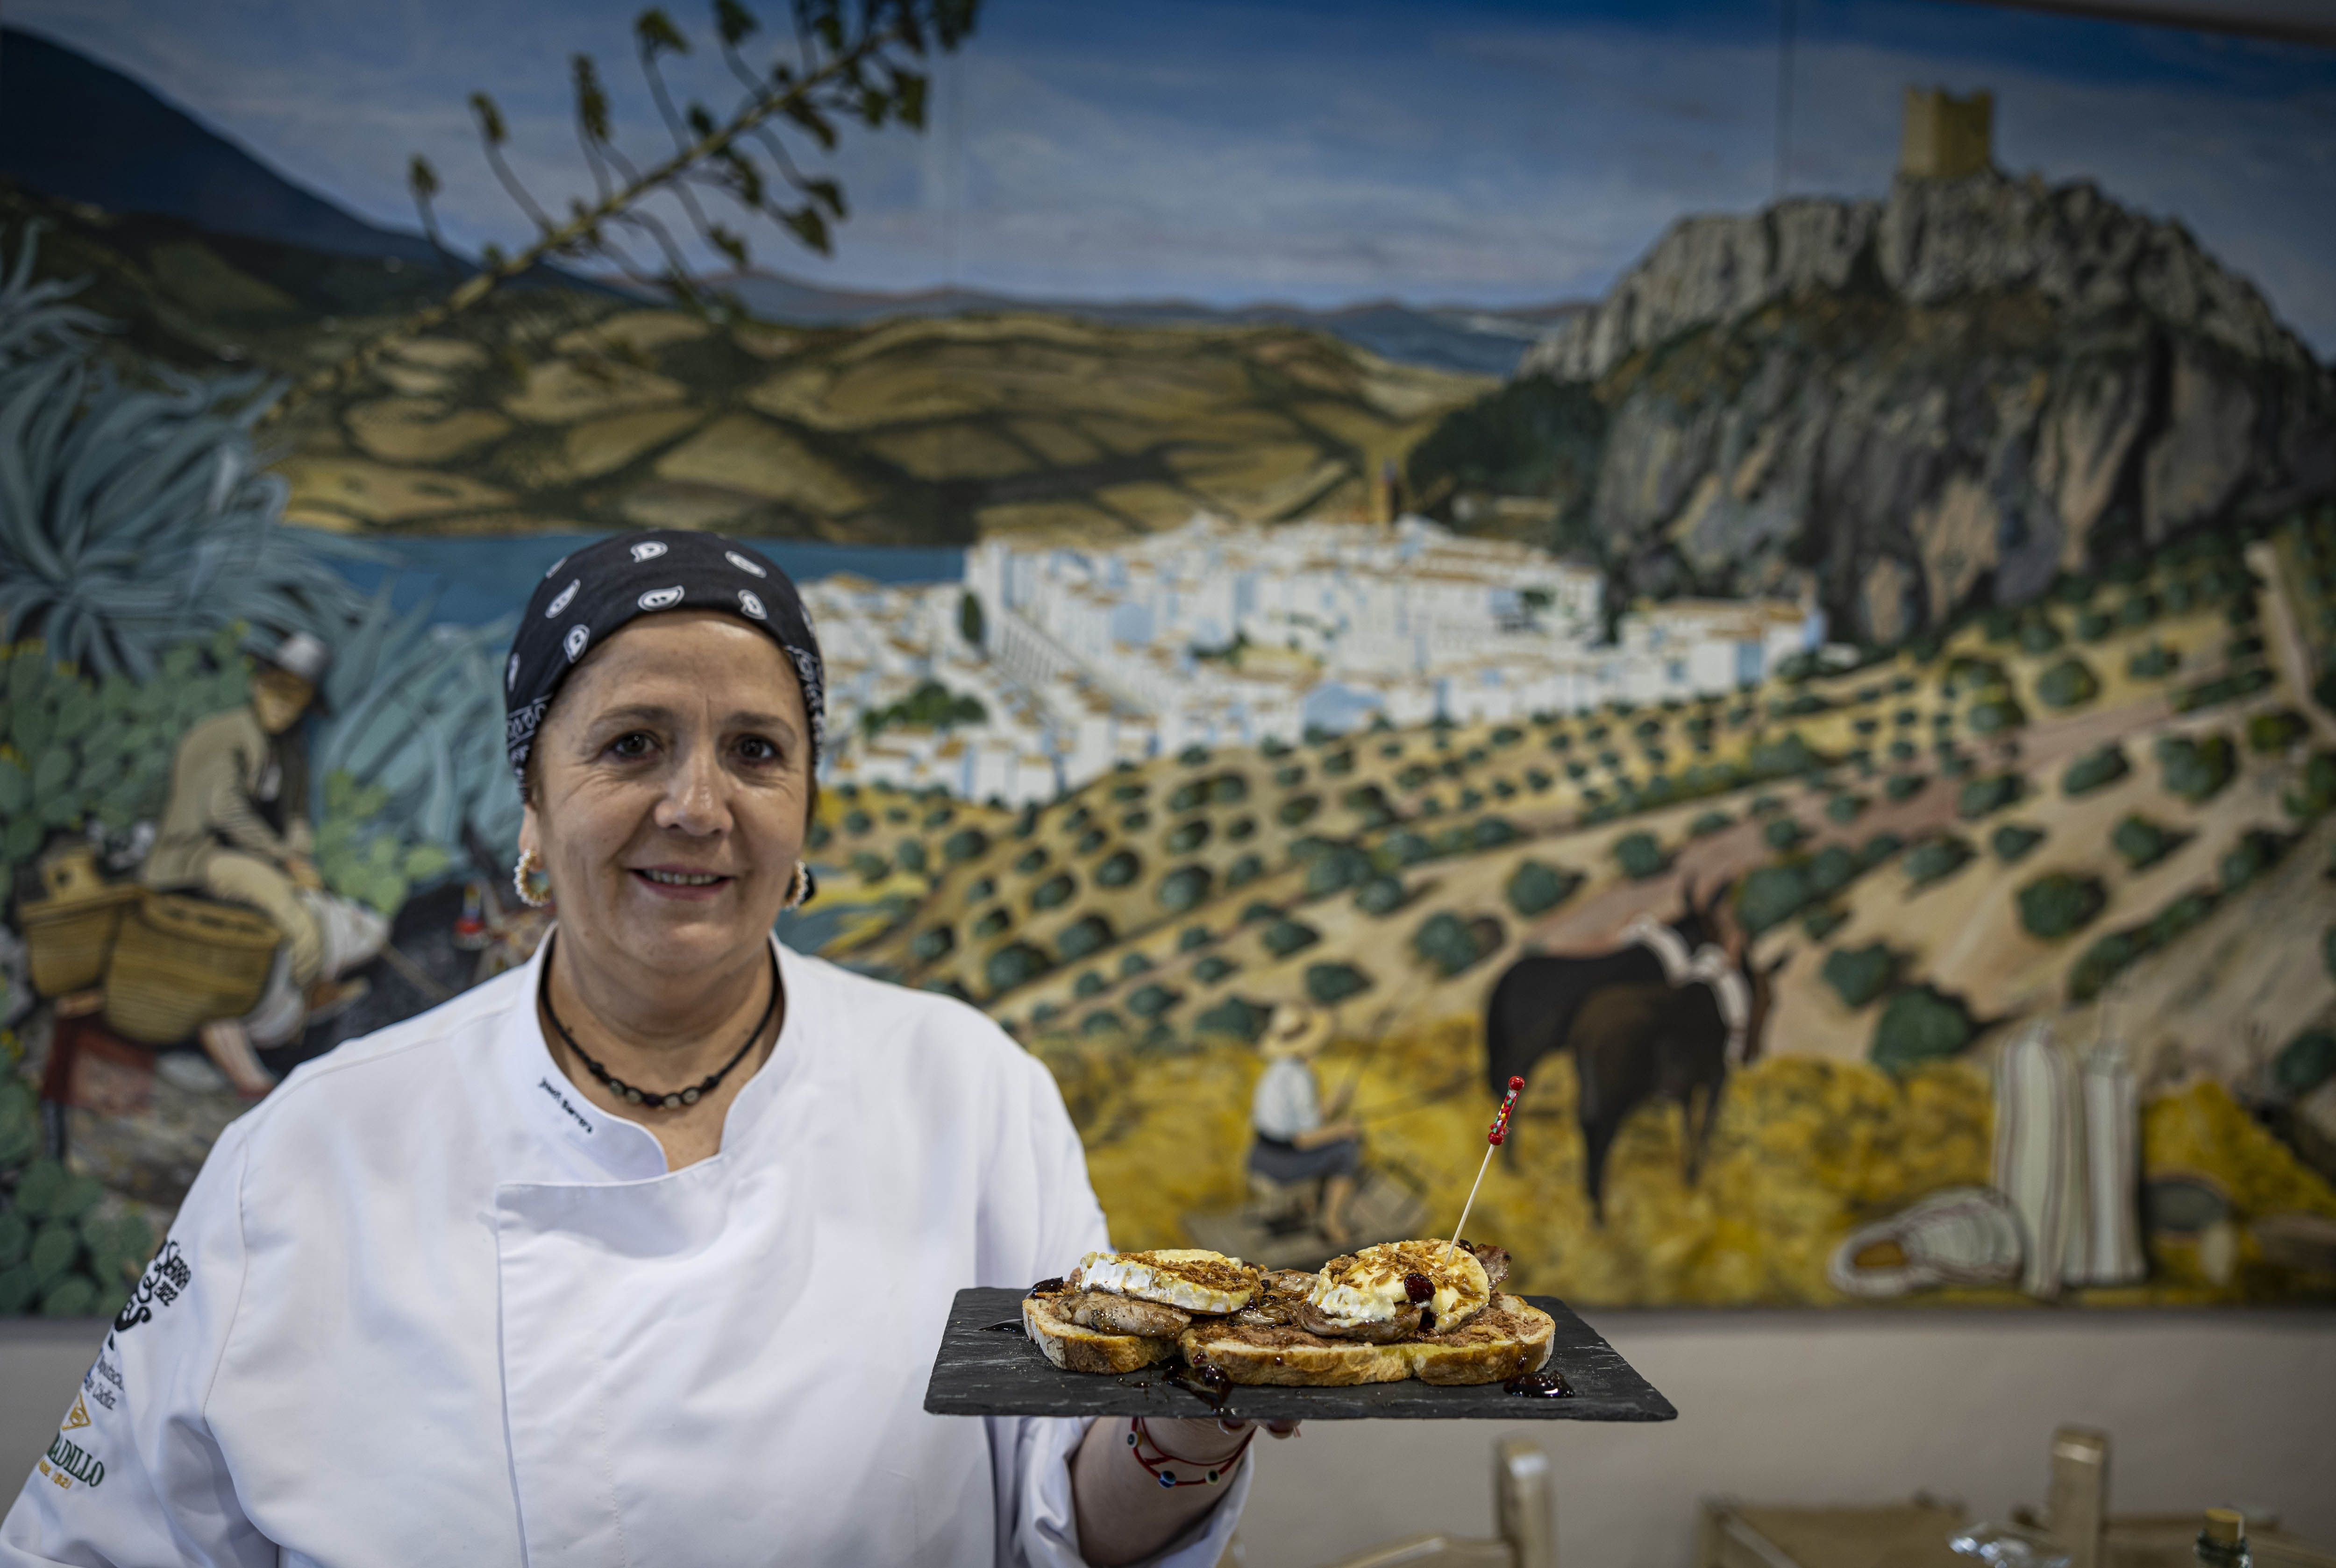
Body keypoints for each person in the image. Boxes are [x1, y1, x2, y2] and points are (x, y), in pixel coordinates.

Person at [4, 530, 1271, 1568]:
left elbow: (1075, 1521)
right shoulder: (307, 1148)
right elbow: (94, 1544)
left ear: (805, 810)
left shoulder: (969, 1093)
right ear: (535, 811)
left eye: (757, 751)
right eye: (631, 743)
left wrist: (1188, 1420)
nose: (699, 805)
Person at [139, 630, 385, 1096]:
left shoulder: (287, 750)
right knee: (292, 914)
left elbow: (294, 814)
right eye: (278, 690)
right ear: (259, 684)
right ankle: (290, 1006)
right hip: (196, 857)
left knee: (322, 905)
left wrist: (299, 854)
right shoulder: (226, 736)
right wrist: (280, 859)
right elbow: (224, 810)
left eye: (296, 697)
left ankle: (309, 988)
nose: (283, 704)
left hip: (243, 856)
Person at [1247, 1001, 1364, 1246]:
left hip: (1260, 1155)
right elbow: (1303, 1139)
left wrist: (1334, 1104)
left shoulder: (1277, 1070)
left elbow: (1296, 1120)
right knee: (1347, 1149)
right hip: (1282, 1164)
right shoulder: (1301, 1076)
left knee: (1337, 1140)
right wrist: (1344, 1129)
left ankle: (1309, 1205)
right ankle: (1331, 1222)